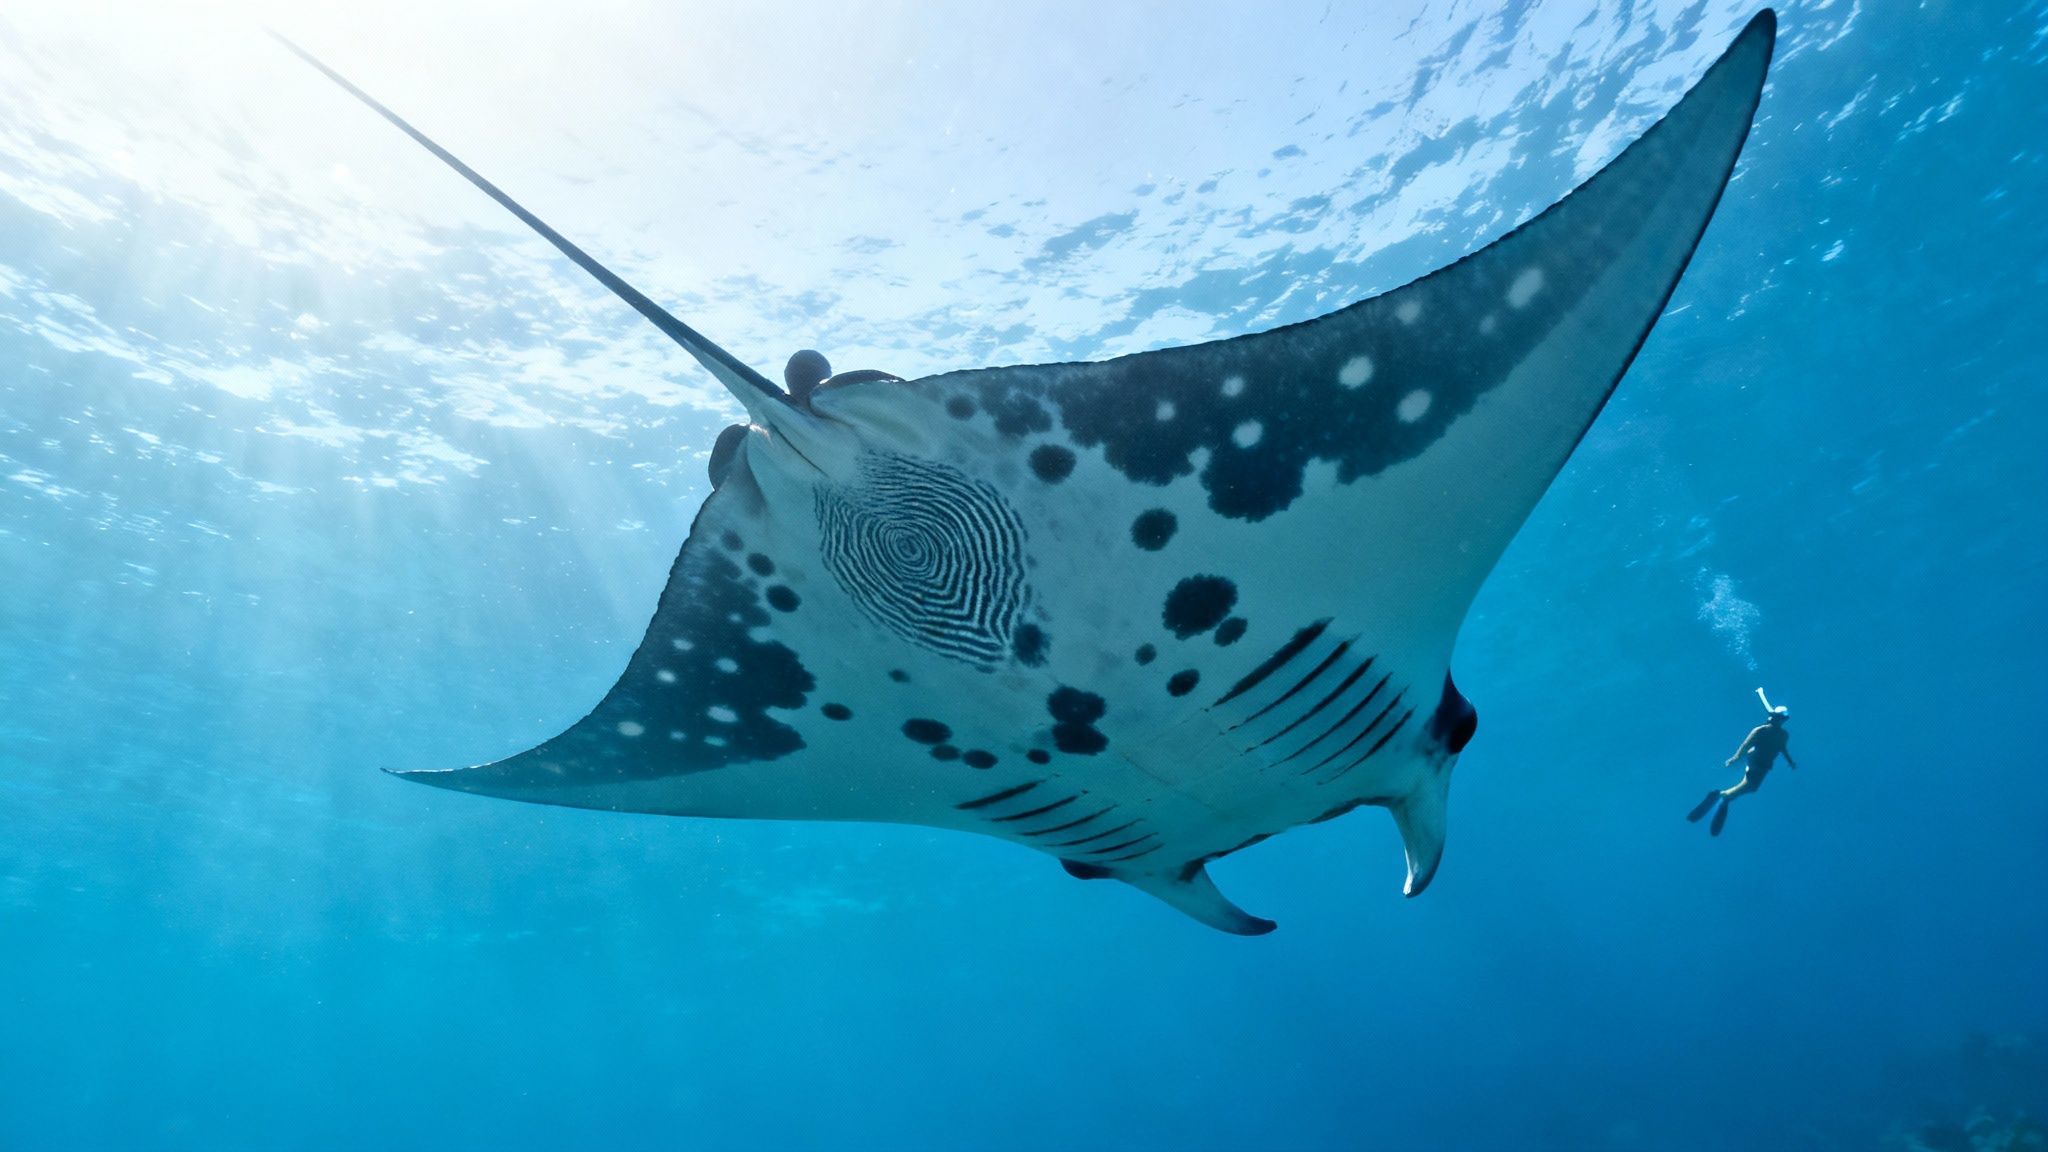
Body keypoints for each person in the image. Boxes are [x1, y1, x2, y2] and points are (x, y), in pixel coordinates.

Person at [1689, 702, 1797, 836]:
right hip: (1756, 762)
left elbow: (1782, 748)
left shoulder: (1783, 735)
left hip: (1765, 765)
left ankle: (1726, 796)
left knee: (1751, 788)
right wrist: (1735, 758)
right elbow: (1746, 745)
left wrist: (1790, 761)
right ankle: (1724, 796)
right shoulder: (1760, 731)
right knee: (1749, 785)